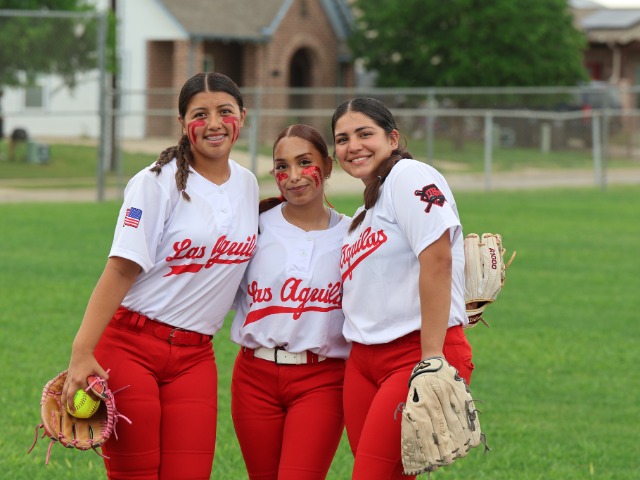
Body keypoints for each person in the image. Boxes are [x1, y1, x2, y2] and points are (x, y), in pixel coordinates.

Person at [61, 72, 259, 479]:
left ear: (243, 116)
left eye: (225, 111)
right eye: (199, 114)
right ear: (183, 123)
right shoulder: (155, 182)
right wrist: (82, 351)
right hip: (130, 348)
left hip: (196, 357)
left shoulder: (248, 184)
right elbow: (122, 267)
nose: (214, 123)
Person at [331, 97, 473, 480]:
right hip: (363, 360)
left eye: (364, 134)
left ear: (392, 139)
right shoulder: (363, 214)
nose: (353, 146)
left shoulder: (409, 176)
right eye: (342, 139)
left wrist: (432, 357)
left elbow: (438, 259)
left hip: (415, 354)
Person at [230, 124, 351, 480]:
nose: (294, 176)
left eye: (305, 162)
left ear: (327, 166)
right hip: (253, 377)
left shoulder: (354, 234)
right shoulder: (253, 227)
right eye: (282, 167)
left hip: (322, 379)